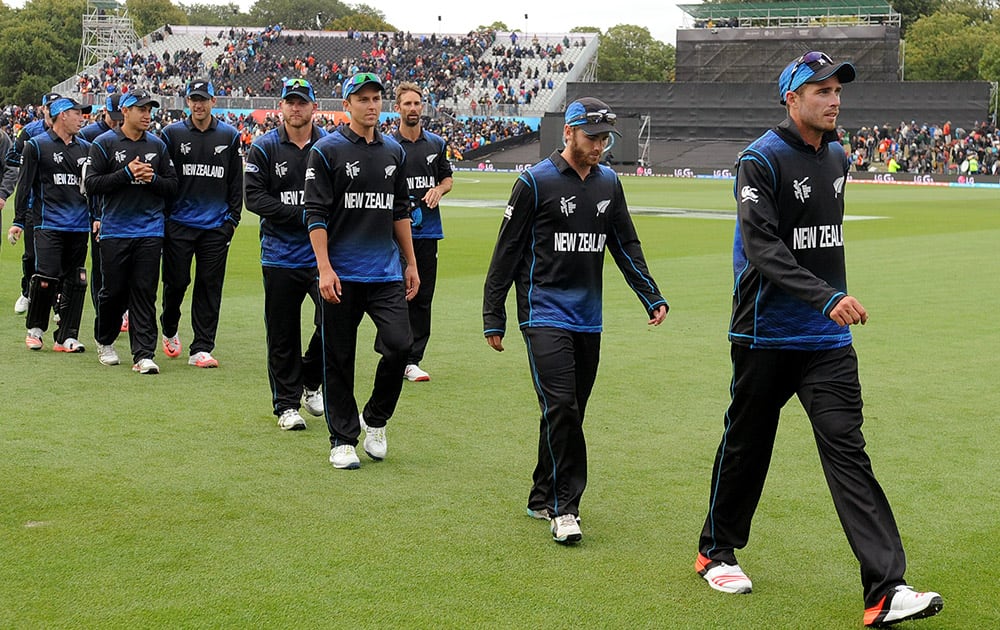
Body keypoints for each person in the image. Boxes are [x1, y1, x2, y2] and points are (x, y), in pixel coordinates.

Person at [694, 52, 943, 628]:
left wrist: (827, 305)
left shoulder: (838, 156)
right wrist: (826, 296)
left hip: (827, 344)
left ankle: (886, 590)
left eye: (837, 90)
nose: (833, 100)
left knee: (847, 452)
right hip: (763, 333)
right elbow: (762, 247)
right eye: (820, 90)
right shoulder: (759, 159)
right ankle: (716, 551)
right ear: (792, 98)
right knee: (748, 445)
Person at [482, 97, 668, 545]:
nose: (600, 146)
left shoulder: (610, 183)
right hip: (542, 312)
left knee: (568, 410)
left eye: (606, 138)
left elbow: (625, 245)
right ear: (568, 133)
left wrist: (651, 295)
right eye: (592, 137)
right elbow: (506, 252)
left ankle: (541, 491)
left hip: (588, 317)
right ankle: (566, 509)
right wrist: (494, 315)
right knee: (562, 405)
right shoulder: (534, 182)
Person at [303, 72, 418, 470]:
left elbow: (399, 212)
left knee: (401, 345)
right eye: (363, 99)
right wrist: (324, 269)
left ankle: (376, 420)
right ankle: (342, 439)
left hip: (385, 272)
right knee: (338, 357)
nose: (371, 105)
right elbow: (314, 214)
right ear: (347, 105)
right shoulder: (327, 151)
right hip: (341, 275)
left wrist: (411, 264)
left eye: (376, 98)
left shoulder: (393, 153)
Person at [244, 78, 326, 431]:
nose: (296, 108)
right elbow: (253, 198)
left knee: (335, 323)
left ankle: (310, 377)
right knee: (282, 333)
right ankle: (286, 405)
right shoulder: (264, 147)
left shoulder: (330, 145)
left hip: (324, 255)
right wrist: (304, 216)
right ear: (282, 107)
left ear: (313, 107)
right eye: (290, 102)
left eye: (302, 102)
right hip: (279, 254)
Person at [85, 89, 178, 374]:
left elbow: (172, 187)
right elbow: (92, 185)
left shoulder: (158, 145)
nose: (147, 115)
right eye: (141, 109)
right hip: (115, 230)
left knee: (144, 291)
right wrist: (127, 173)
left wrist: (151, 179)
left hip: (150, 230)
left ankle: (143, 354)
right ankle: (105, 340)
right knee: (113, 292)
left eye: (150, 109)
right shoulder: (104, 144)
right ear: (125, 111)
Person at [159, 79, 243, 368]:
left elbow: (236, 182)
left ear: (213, 102)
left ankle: (201, 347)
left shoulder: (230, 136)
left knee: (210, 286)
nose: (198, 104)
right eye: (193, 99)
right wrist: (166, 218)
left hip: (215, 226)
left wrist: (231, 220)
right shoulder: (171, 134)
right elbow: (163, 179)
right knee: (176, 283)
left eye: (203, 99)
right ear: (187, 101)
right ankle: (169, 327)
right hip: (178, 223)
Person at [12, 97, 92, 352]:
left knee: (76, 280)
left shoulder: (87, 148)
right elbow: (24, 186)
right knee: (46, 277)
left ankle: (67, 336)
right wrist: (18, 221)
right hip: (48, 223)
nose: (82, 118)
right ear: (61, 115)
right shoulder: (36, 146)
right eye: (77, 113)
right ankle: (35, 330)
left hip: (79, 225)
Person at [391, 82, 454, 382]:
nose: (413, 109)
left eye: (417, 103)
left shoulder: (436, 144)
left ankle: (412, 359)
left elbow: (447, 178)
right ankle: (395, 351)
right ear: (398, 108)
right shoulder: (388, 146)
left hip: (428, 232)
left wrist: (439, 190)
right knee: (397, 295)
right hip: (395, 235)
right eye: (407, 104)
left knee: (423, 296)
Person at [3, 92, 61, 315]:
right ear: (43, 109)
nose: (52, 110)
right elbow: (11, 157)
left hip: (55, 202)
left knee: (57, 256)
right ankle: (26, 292)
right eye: (49, 107)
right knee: (30, 254)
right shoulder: (29, 131)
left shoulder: (67, 134)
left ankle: (57, 301)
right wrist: (32, 161)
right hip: (31, 202)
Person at [80, 91, 124, 311]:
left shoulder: (129, 133)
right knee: (99, 263)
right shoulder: (89, 135)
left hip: (121, 206)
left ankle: (122, 308)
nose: (118, 121)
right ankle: (101, 310)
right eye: (114, 116)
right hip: (94, 206)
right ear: (105, 111)